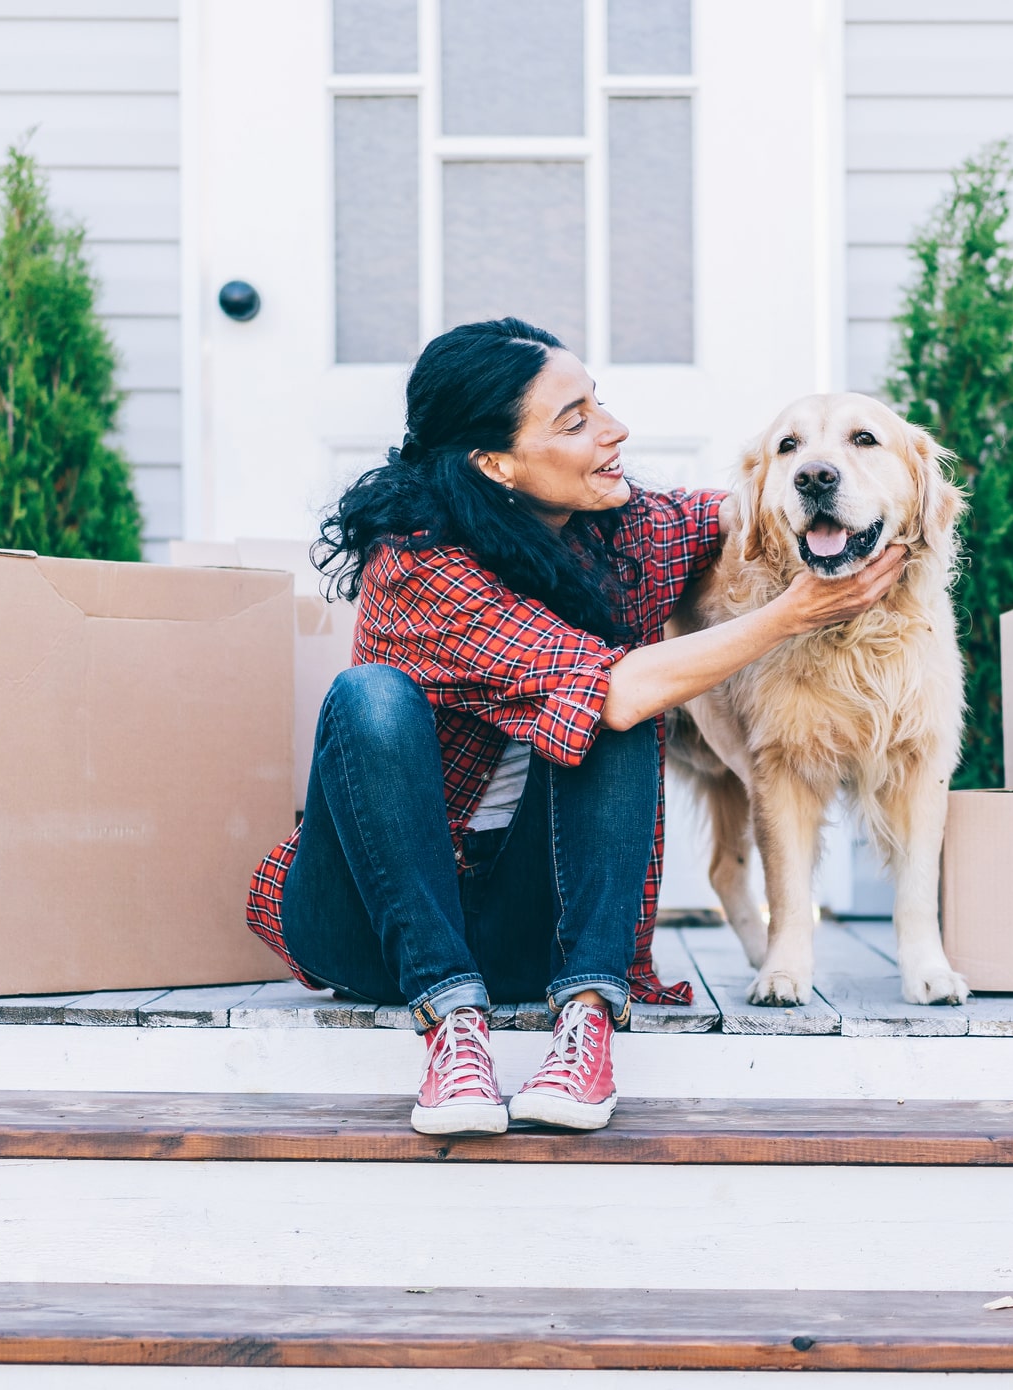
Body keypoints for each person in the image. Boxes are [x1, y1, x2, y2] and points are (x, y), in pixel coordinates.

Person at [245, 318, 905, 1136]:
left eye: (601, 403)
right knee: (372, 697)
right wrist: (791, 613)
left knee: (617, 696)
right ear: (496, 464)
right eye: (575, 420)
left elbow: (742, 512)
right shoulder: (417, 564)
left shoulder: (618, 530)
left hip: (530, 928)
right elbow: (610, 690)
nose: (613, 431)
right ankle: (452, 1029)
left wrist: (855, 494)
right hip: (371, 927)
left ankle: (586, 1023)